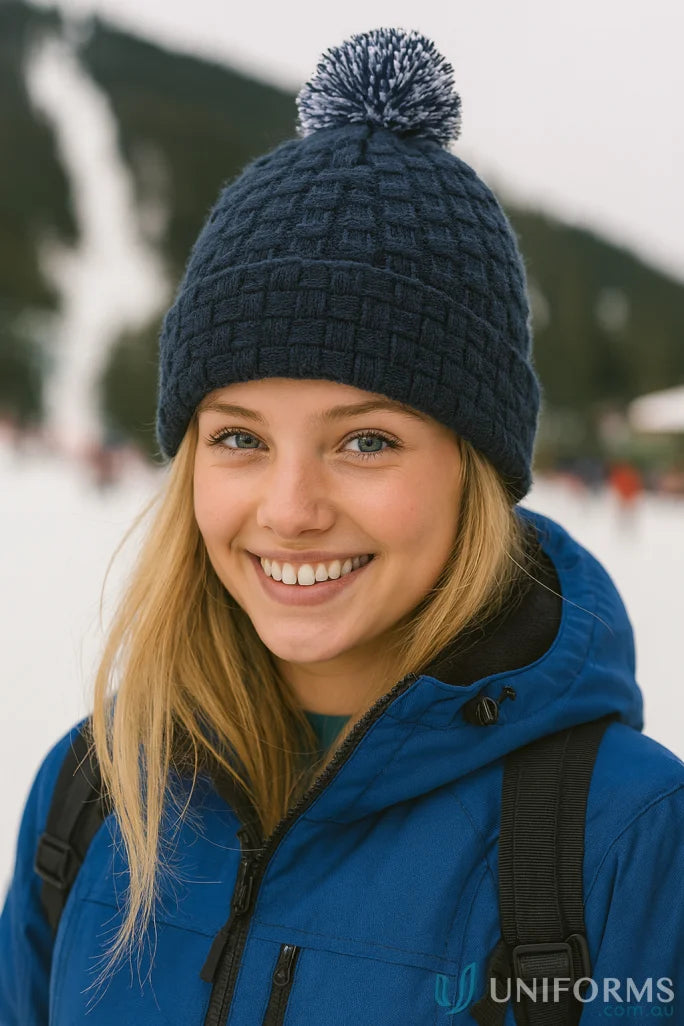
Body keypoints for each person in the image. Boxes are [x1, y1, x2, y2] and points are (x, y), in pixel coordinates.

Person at [1, 26, 683, 1026]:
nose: (289, 509)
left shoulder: (623, 840)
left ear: (473, 469)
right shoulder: (95, 792)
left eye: (365, 442)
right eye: (239, 439)